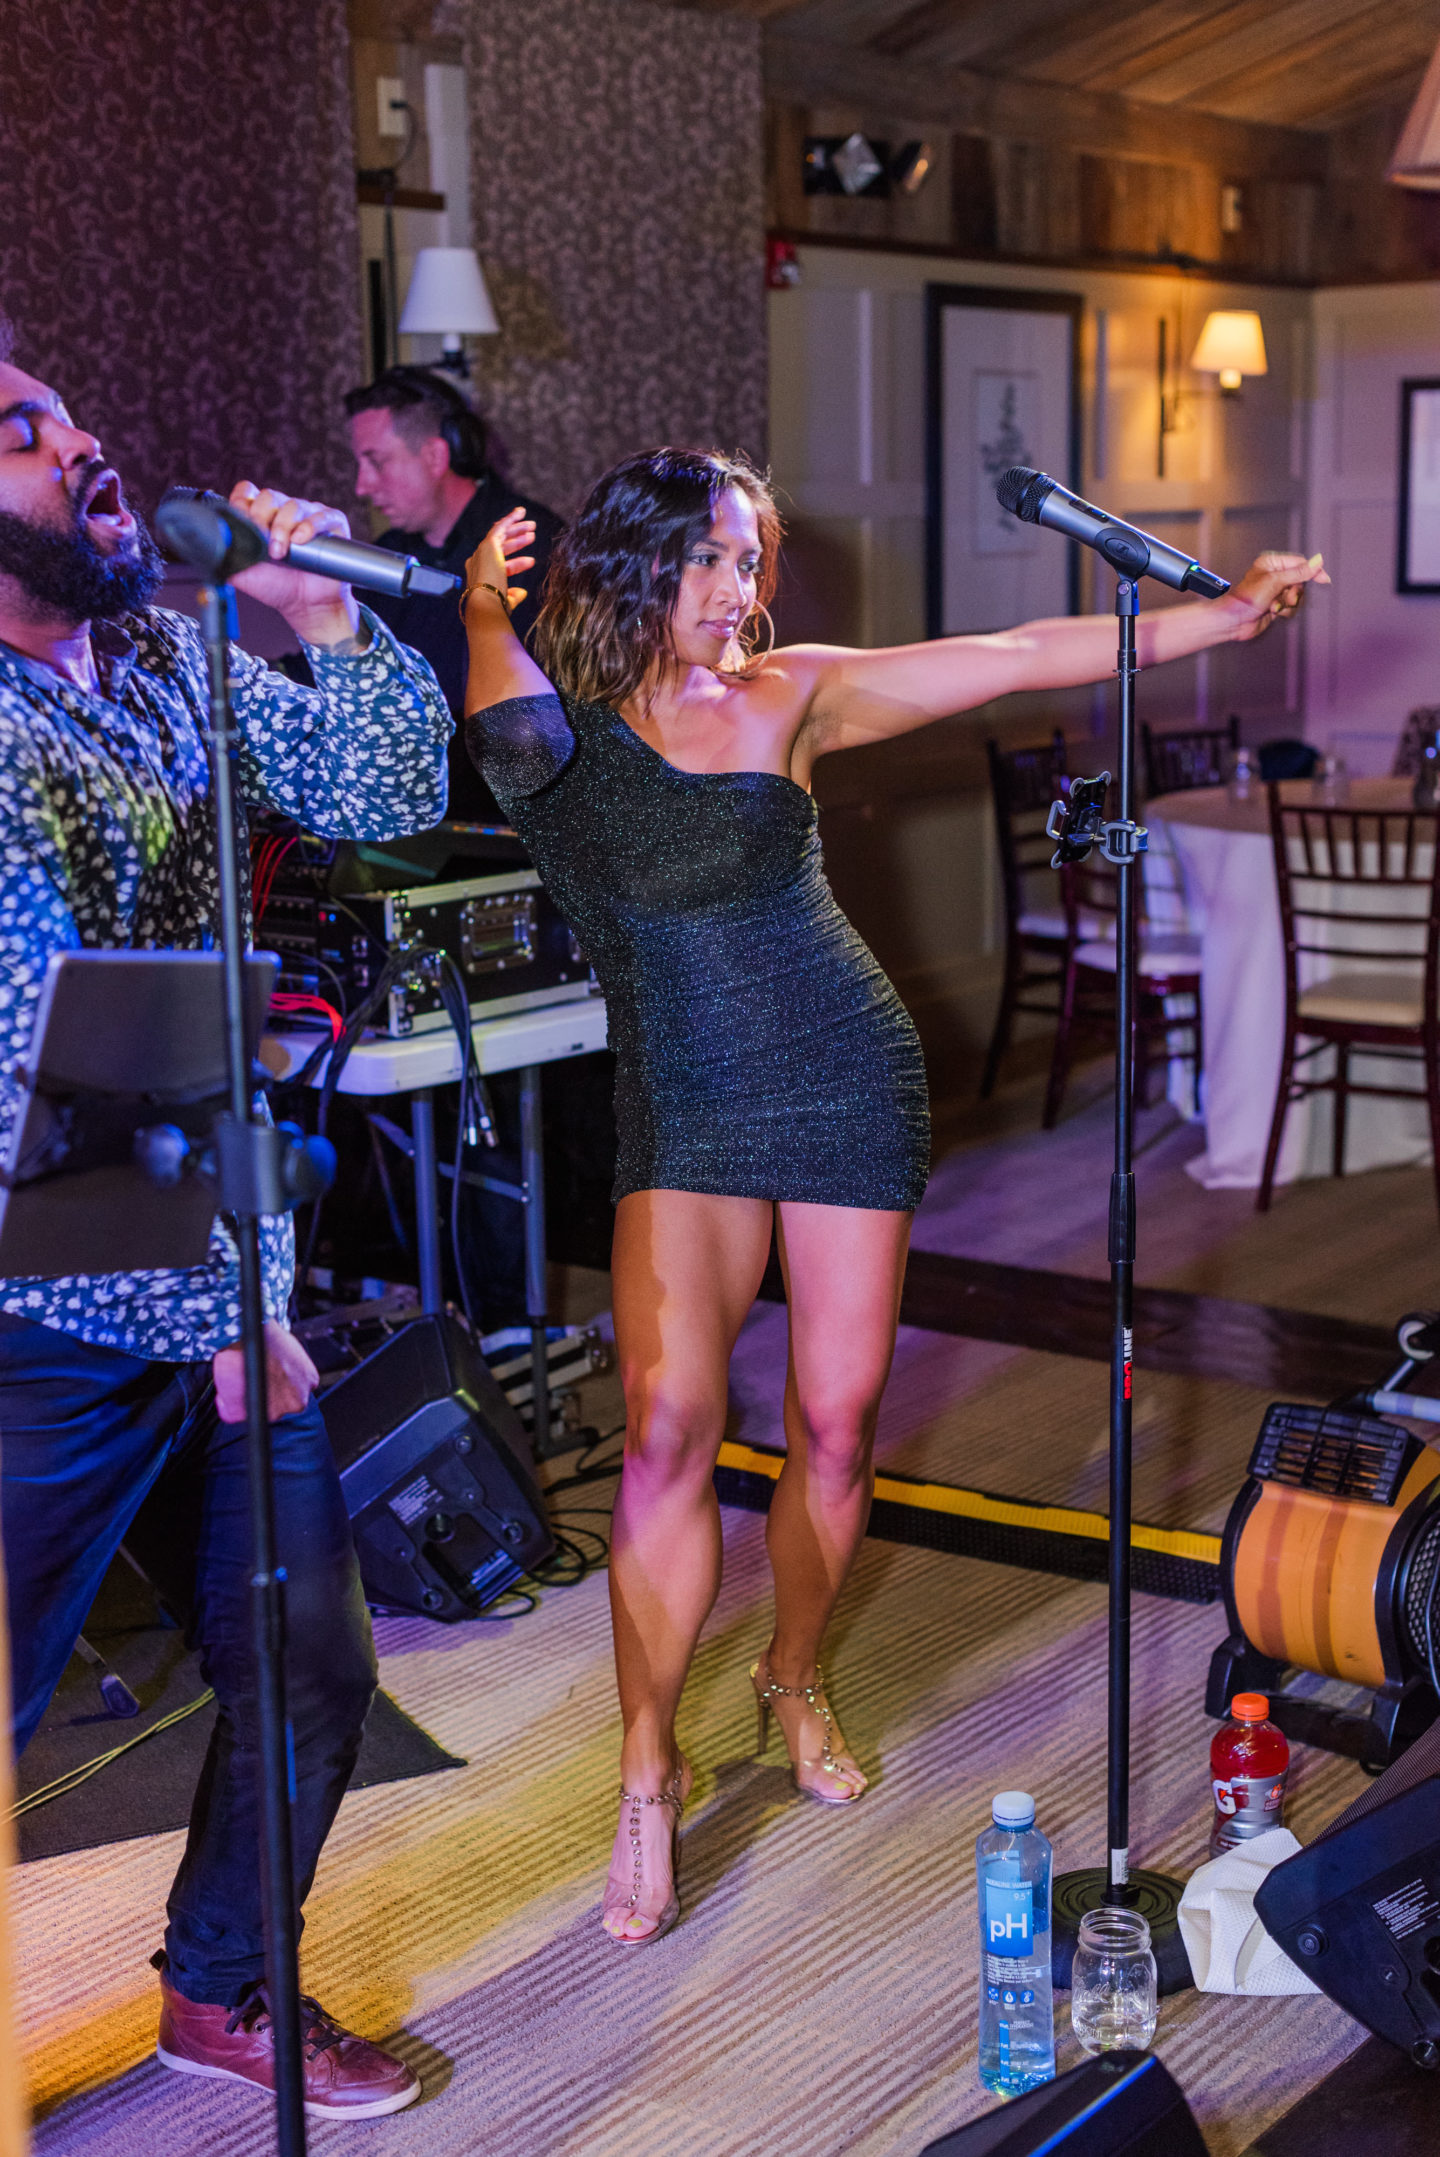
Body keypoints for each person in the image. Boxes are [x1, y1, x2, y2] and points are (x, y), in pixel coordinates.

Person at [458, 445, 1327, 1948]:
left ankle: (792, 1673)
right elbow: (501, 700)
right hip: (685, 1104)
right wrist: (481, 608)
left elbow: (1005, 658)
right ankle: (647, 1761)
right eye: (720, 560)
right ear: (638, 564)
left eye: (757, 561)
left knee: (841, 1423)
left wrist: (1219, 620)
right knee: (666, 1430)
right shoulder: (554, 727)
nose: (748, 592)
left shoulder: (793, 692)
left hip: (845, 1073)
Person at [0, 324, 452, 2114]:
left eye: (68, 407)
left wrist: (323, 613)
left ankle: (222, 1986)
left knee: (312, 1653)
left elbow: (387, 793)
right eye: (24, 432)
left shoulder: (162, 655)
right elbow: (51, 1039)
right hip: (37, 1311)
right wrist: (219, 1301)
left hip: (194, 1268)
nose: (82, 437)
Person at [344, 364, 563, 822]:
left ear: (436, 456)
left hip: (499, 815)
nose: (363, 486)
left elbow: (518, 722)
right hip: (413, 808)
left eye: (376, 461)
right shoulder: (385, 557)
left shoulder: (529, 543)